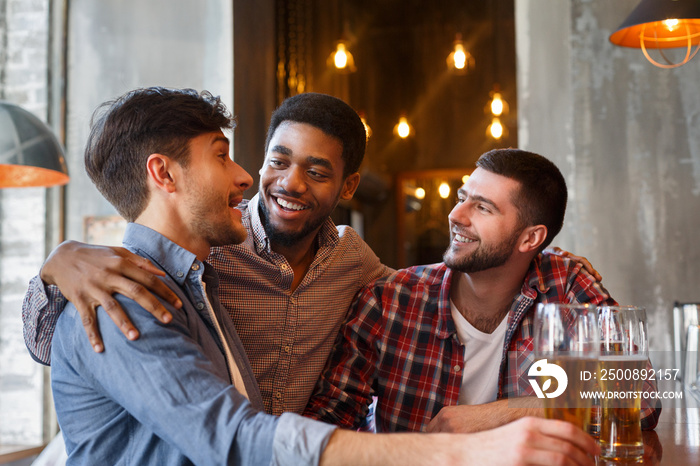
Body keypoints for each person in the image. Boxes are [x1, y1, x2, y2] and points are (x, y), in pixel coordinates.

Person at [48, 86, 600, 465]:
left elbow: (642, 389)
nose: (273, 181)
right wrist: (57, 268)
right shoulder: (190, 263)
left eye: (316, 171)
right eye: (273, 161)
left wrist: (488, 421)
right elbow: (238, 436)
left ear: (347, 187)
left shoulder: (374, 280)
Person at [304, 148, 662, 433]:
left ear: (530, 238)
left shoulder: (564, 283)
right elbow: (329, 421)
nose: (456, 215)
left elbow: (640, 398)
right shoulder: (391, 300)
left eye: (482, 207)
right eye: (463, 197)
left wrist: (502, 415)